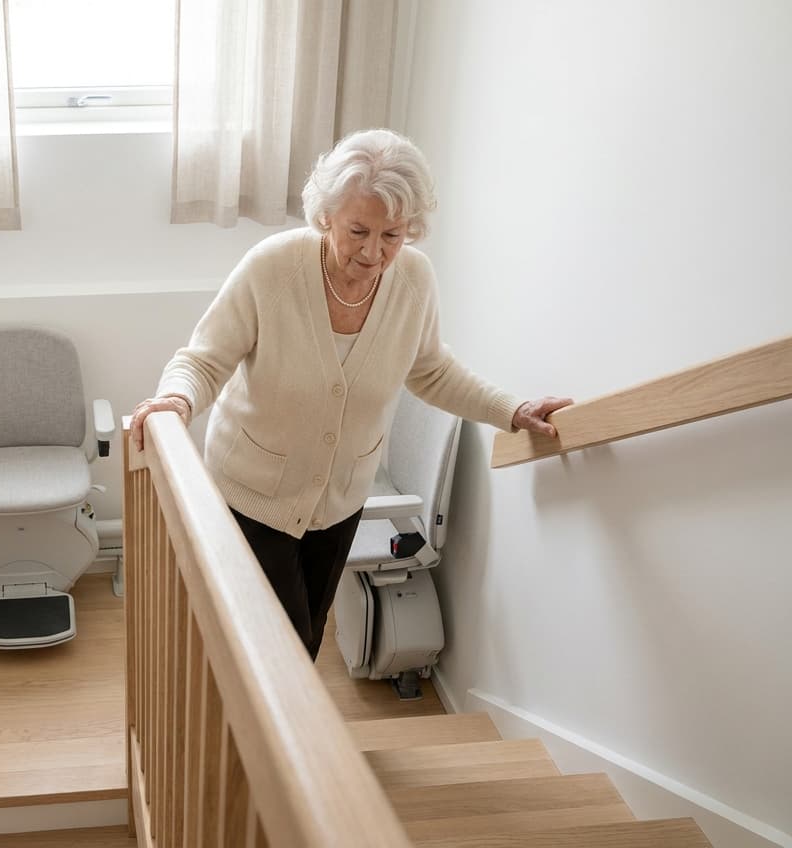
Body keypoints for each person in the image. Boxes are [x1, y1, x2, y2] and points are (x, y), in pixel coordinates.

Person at [130, 128, 571, 661]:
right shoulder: (273, 268)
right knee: (277, 655)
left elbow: (430, 369)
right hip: (250, 493)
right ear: (326, 216)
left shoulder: (414, 281)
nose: (374, 252)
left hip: (340, 500)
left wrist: (514, 411)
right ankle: (252, 743)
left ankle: (260, 744)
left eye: (393, 235)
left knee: (306, 640)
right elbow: (203, 359)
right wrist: (175, 400)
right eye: (359, 230)